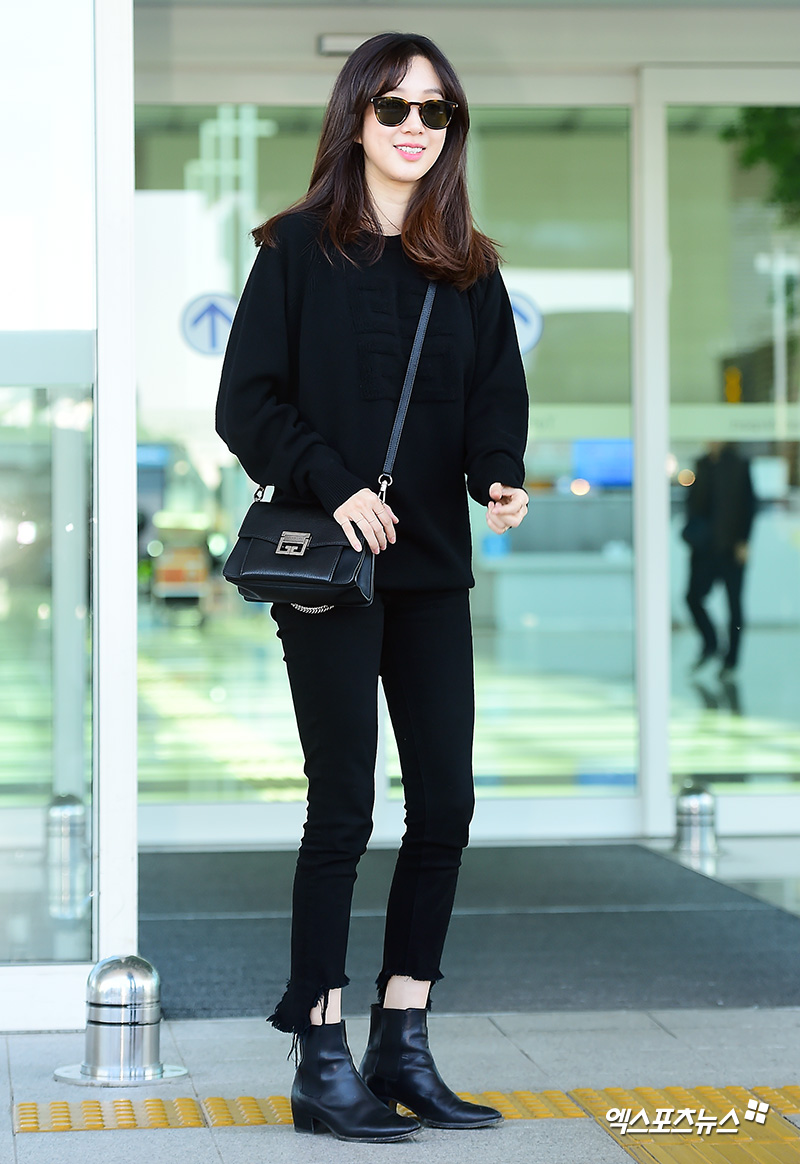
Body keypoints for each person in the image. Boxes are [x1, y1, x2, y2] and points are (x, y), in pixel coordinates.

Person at [215, 31, 529, 1144]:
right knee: (343, 807)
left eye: (435, 110)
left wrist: (497, 474)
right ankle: (319, 1051)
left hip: (432, 570)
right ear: (355, 116)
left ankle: (404, 1037)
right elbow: (247, 404)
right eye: (393, 105)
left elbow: (494, 397)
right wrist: (335, 481)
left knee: (445, 805)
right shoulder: (297, 250)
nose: (413, 125)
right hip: (331, 575)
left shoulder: (468, 265)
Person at [683, 441, 756, 680]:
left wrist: (744, 541)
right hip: (705, 549)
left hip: (730, 548)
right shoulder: (702, 465)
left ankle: (731, 660)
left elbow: (749, 505)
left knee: (734, 606)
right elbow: (694, 504)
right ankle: (710, 643)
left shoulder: (738, 464)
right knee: (692, 597)